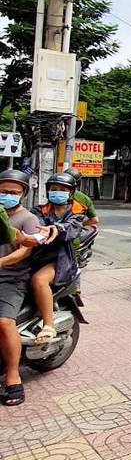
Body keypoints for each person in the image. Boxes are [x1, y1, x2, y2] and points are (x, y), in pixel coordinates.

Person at [0, 170, 45, 406]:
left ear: (23, 194)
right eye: (3, 191)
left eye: (13, 192)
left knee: (4, 322)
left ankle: (13, 376)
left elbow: (25, 249)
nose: (7, 195)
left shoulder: (28, 218)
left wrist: (1, 263)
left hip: (11, 278)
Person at [30, 173, 85, 343]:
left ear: (71, 192)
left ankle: (48, 324)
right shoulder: (38, 210)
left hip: (59, 260)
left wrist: (55, 229)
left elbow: (72, 228)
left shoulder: (77, 212)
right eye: (54, 189)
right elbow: (33, 224)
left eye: (62, 190)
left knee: (39, 280)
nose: (57, 192)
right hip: (35, 256)